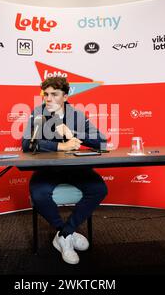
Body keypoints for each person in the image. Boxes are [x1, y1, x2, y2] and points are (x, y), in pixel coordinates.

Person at [22, 76, 108, 264]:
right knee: (39, 194)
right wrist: (60, 147)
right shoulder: (38, 114)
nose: (49, 98)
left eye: (54, 94)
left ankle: (64, 234)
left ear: (65, 97)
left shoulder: (76, 115)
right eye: (46, 94)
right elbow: (27, 144)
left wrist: (73, 134)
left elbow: (101, 141)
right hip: (47, 169)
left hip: (74, 168)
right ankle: (66, 233)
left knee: (99, 189)